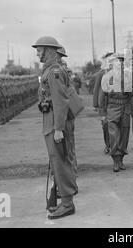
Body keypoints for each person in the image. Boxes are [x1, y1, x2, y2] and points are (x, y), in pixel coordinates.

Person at [32, 36, 78, 219]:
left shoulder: (54, 72)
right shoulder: (50, 70)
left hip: (55, 122)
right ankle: (64, 201)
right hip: (50, 120)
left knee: (60, 161)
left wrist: (59, 128)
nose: (37, 53)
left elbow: (60, 101)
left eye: (39, 50)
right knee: (57, 160)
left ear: (48, 50)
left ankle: (67, 204)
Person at [99, 53, 133, 172]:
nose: (120, 63)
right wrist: (103, 113)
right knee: (114, 136)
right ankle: (115, 160)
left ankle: (121, 159)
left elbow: (132, 94)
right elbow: (102, 97)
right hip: (112, 107)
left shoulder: (128, 77)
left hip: (124, 107)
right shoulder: (106, 77)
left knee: (124, 135)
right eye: (117, 61)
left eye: (121, 61)